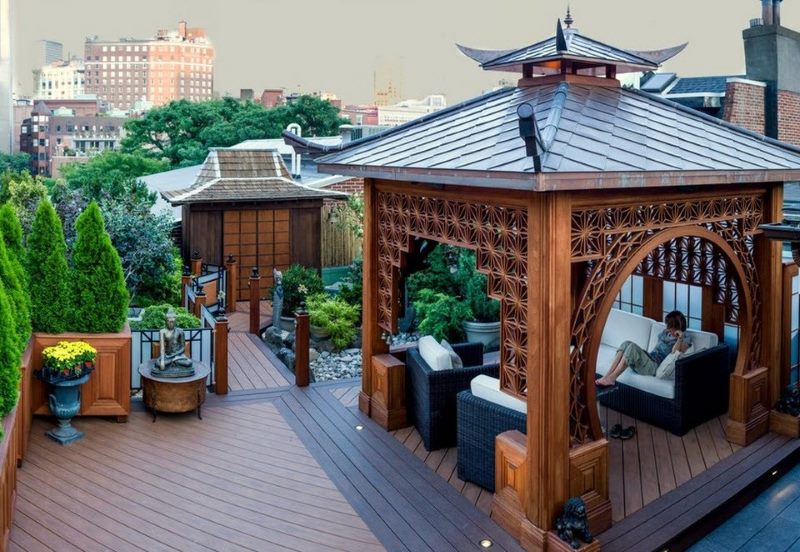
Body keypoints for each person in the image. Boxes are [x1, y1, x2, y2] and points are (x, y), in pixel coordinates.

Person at [595, 310, 691, 387]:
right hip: (649, 358)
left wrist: (679, 338)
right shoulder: (665, 333)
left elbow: (675, 352)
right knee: (626, 343)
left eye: (670, 326)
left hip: (654, 366)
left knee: (632, 348)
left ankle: (612, 378)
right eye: (668, 325)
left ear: (677, 326)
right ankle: (607, 375)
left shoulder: (685, 338)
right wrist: (670, 333)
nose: (667, 328)